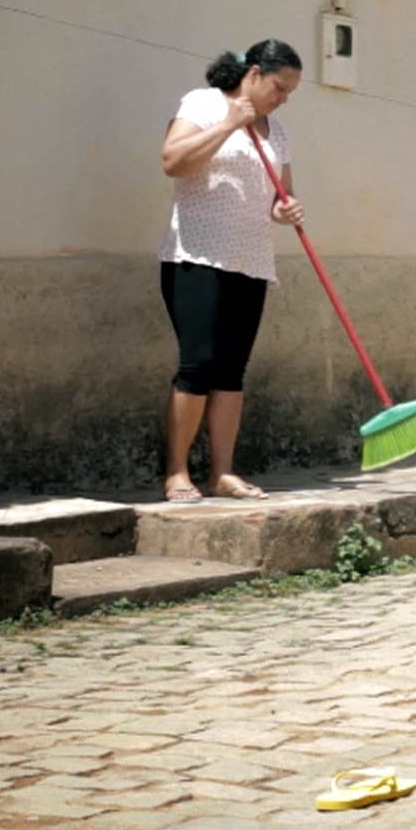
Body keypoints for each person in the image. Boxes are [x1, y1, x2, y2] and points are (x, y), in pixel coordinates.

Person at [156, 40, 306, 502]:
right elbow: (173, 162)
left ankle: (223, 473)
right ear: (255, 74)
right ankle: (177, 473)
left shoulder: (275, 132)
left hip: (251, 260)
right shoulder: (202, 103)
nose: (283, 99)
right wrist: (228, 125)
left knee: (231, 372)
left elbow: (281, 193)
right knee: (197, 365)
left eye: (290, 93)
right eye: (280, 88)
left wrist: (286, 209)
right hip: (197, 256)